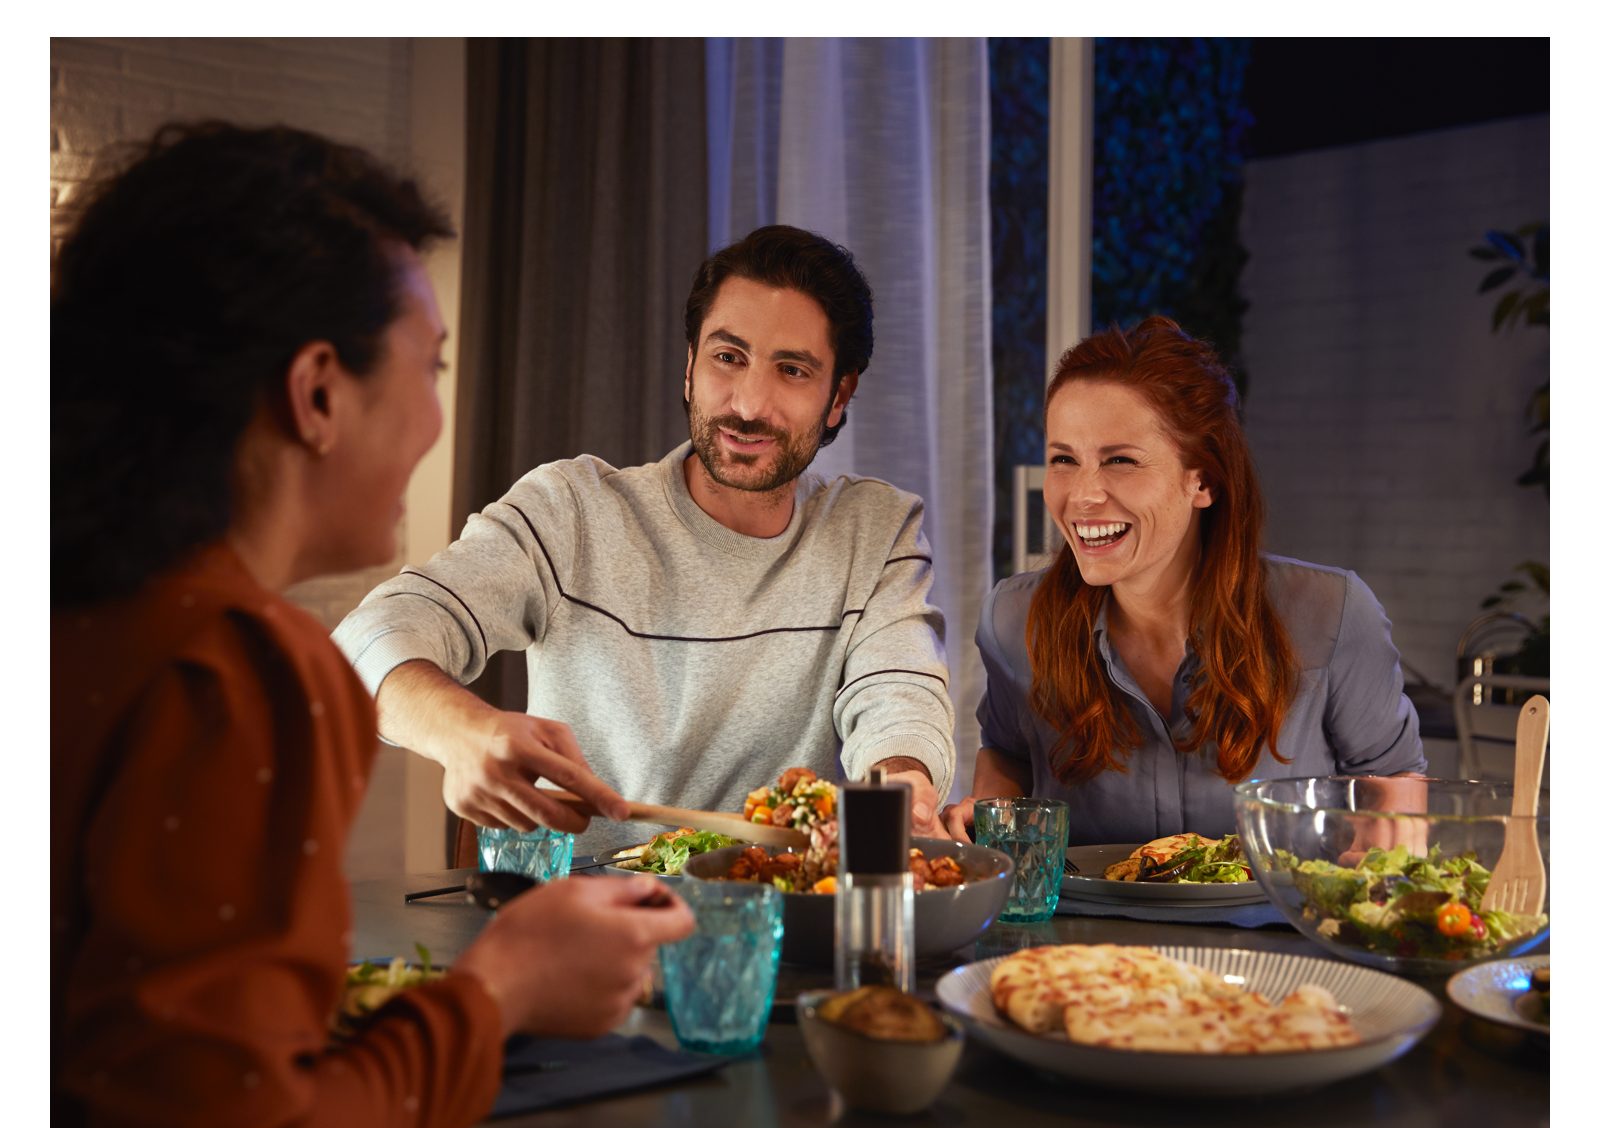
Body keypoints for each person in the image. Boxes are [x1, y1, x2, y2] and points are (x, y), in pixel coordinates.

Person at [51, 121, 694, 1128]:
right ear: (316, 393)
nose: (440, 420)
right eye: (429, 367)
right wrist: (504, 987)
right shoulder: (237, 671)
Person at [332, 224, 956, 858]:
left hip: (781, 931)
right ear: (690, 368)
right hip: (575, 928)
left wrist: (902, 784)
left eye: (792, 370)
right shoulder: (572, 511)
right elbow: (369, 639)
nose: (748, 403)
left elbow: (898, 696)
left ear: (838, 396)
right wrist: (466, 732)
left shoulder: (875, 530)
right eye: (728, 357)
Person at [941, 316, 1425, 846]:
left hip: (1279, 928)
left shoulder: (1332, 615)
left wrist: (1367, 898)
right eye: (1063, 460)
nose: (1081, 496)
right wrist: (995, 820)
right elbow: (1006, 752)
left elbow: (1391, 785)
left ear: (1204, 480)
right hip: (1086, 930)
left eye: (1119, 460)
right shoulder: (1014, 621)